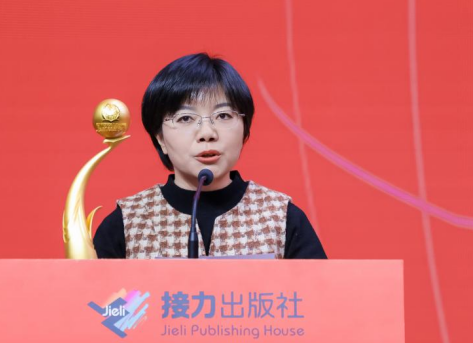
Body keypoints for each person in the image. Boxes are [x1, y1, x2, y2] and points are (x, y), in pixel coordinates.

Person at [93, 53, 326, 259]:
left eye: (223, 116)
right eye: (185, 118)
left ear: (245, 130)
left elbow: (320, 294)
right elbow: (96, 295)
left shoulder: (280, 218)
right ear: (160, 138)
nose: (207, 133)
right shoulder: (127, 222)